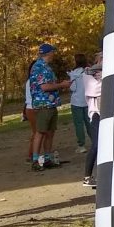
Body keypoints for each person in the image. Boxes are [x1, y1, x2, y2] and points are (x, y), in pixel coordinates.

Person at [29, 42, 70, 170]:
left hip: (51, 104)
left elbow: (50, 84)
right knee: (40, 132)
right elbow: (44, 86)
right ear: (48, 53)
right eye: (52, 52)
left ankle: (47, 158)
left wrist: (60, 85)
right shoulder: (39, 67)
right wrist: (61, 85)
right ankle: (35, 161)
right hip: (43, 104)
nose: (54, 54)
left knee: (50, 132)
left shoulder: (47, 67)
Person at [81, 51, 103, 189]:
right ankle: (87, 177)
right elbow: (95, 90)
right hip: (96, 113)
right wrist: (105, 78)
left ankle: (101, 175)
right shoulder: (87, 74)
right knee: (96, 144)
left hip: (106, 113)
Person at [68, 53, 89, 153]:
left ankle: (81, 145)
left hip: (76, 101)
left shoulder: (74, 73)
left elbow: (73, 88)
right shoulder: (88, 71)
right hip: (87, 100)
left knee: (79, 124)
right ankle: (95, 141)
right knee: (89, 123)